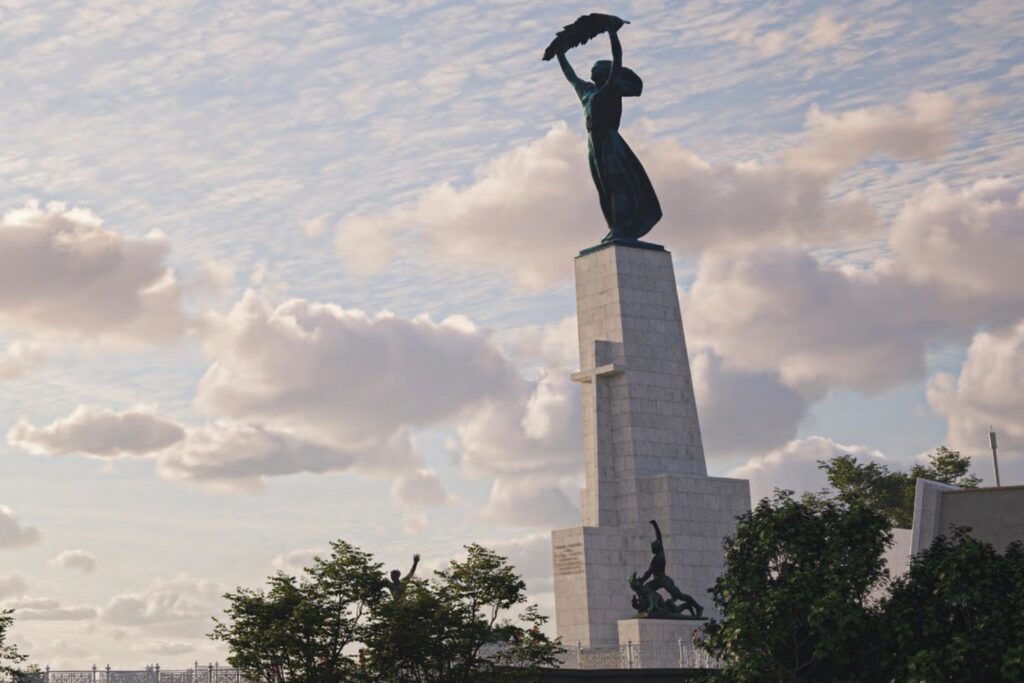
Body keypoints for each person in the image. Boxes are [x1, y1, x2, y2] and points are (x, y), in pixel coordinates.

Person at [556, 26, 662, 243]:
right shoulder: (587, 91)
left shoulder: (611, 88)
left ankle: (621, 227)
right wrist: (560, 54)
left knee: (617, 183)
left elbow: (618, 58)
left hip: (611, 142)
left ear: (606, 74)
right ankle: (616, 225)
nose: (592, 70)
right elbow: (570, 76)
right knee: (603, 187)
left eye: (597, 68)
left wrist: (613, 34)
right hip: (594, 144)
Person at [639, 520, 703, 617]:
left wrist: (641, 580)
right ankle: (650, 607)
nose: (651, 549)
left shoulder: (658, 558)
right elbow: (659, 537)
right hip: (657, 580)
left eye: (653, 548)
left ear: (656, 548)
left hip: (663, 581)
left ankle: (698, 607)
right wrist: (655, 525)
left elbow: (649, 572)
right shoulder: (661, 552)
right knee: (647, 589)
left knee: (679, 596)